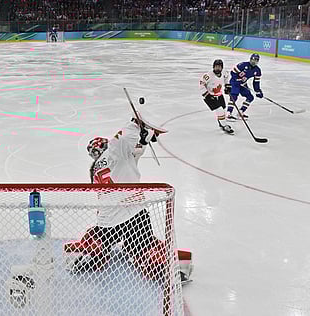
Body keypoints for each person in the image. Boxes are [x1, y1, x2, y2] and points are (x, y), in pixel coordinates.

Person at [65, 119, 192, 282]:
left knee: (94, 234)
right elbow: (123, 142)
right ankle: (159, 266)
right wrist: (136, 125)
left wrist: (143, 140)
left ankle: (92, 252)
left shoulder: (95, 169)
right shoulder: (115, 151)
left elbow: (132, 154)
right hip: (134, 214)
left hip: (108, 219)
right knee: (143, 247)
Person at [199, 59, 234, 134]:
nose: (217, 68)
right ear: (213, 67)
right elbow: (201, 84)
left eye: (219, 67)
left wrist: (228, 87)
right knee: (220, 110)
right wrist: (206, 95)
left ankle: (221, 123)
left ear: (222, 67)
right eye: (216, 67)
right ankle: (225, 126)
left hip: (219, 95)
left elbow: (226, 80)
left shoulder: (225, 73)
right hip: (210, 96)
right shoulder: (208, 75)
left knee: (222, 110)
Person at [226, 54, 263, 121]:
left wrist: (258, 91)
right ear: (250, 59)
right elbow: (232, 72)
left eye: (256, 60)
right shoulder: (242, 65)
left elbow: (256, 82)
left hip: (243, 84)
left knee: (250, 97)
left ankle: (241, 112)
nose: (254, 61)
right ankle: (228, 113)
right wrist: (237, 79)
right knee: (234, 96)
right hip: (235, 83)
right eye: (253, 59)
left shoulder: (257, 70)